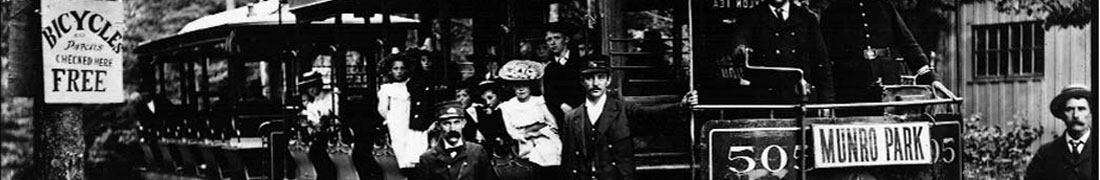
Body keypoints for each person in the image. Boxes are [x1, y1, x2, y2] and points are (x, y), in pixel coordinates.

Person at [560, 60, 697, 180]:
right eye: (589, 78)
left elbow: (651, 113)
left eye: (601, 77)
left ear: (608, 81)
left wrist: (681, 105)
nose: (596, 83)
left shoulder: (623, 109)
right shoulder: (572, 118)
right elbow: (568, 161)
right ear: (582, 81)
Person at [819, 0, 941, 115]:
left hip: (887, 87)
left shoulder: (884, 6)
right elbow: (823, 60)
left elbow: (908, 44)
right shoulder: (833, 11)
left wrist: (930, 78)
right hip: (850, 90)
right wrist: (827, 100)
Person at [732, 0, 833, 104]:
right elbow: (740, 39)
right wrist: (740, 48)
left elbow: (821, 62)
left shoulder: (806, 18)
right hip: (764, 100)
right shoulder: (752, 16)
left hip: (799, 98)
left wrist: (826, 102)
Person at [497, 60, 563, 180]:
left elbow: (552, 124)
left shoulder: (538, 101)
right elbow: (511, 130)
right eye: (517, 86)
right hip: (523, 143)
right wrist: (525, 135)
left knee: (549, 153)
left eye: (525, 85)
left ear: (530, 86)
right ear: (512, 87)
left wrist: (539, 132)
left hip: (545, 139)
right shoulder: (507, 106)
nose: (521, 89)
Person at [1026, 84, 1096, 180]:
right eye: (1069, 109)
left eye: (1081, 109)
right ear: (1062, 115)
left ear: (1091, 113)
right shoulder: (1045, 153)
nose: (1075, 115)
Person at [377, 56, 430, 175]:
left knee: (415, 148)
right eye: (396, 68)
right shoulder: (387, 89)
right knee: (400, 147)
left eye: (402, 68)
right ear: (390, 71)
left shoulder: (412, 85)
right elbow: (383, 109)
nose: (399, 71)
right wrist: (391, 119)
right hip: (396, 122)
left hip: (412, 121)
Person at [418, 101, 494, 180]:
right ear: (438, 126)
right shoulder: (428, 158)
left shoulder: (477, 152)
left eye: (456, 122)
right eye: (446, 124)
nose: (452, 128)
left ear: (463, 123)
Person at [541, 22, 589, 123]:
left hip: (584, 114)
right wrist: (561, 106)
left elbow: (587, 89)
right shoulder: (549, 69)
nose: (552, 42)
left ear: (566, 40)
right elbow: (549, 96)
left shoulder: (581, 63)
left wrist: (574, 107)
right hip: (561, 117)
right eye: (549, 39)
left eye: (556, 38)